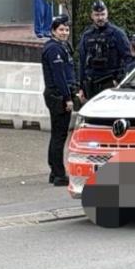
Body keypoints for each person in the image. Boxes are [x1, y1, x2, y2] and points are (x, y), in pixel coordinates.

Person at [40, 15, 80, 186]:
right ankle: (58, 174)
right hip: (58, 95)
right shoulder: (54, 49)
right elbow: (59, 76)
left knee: (57, 134)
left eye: (66, 29)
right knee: (59, 136)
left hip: (58, 94)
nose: (65, 32)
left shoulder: (61, 46)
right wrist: (67, 98)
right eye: (61, 30)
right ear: (53, 31)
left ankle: (54, 171)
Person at [78, 0, 133, 97]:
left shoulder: (117, 34)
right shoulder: (87, 36)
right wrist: (81, 87)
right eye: (97, 15)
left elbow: (128, 58)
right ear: (92, 16)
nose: (100, 18)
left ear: (107, 14)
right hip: (91, 85)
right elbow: (82, 62)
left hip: (110, 83)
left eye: (102, 14)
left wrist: (120, 80)